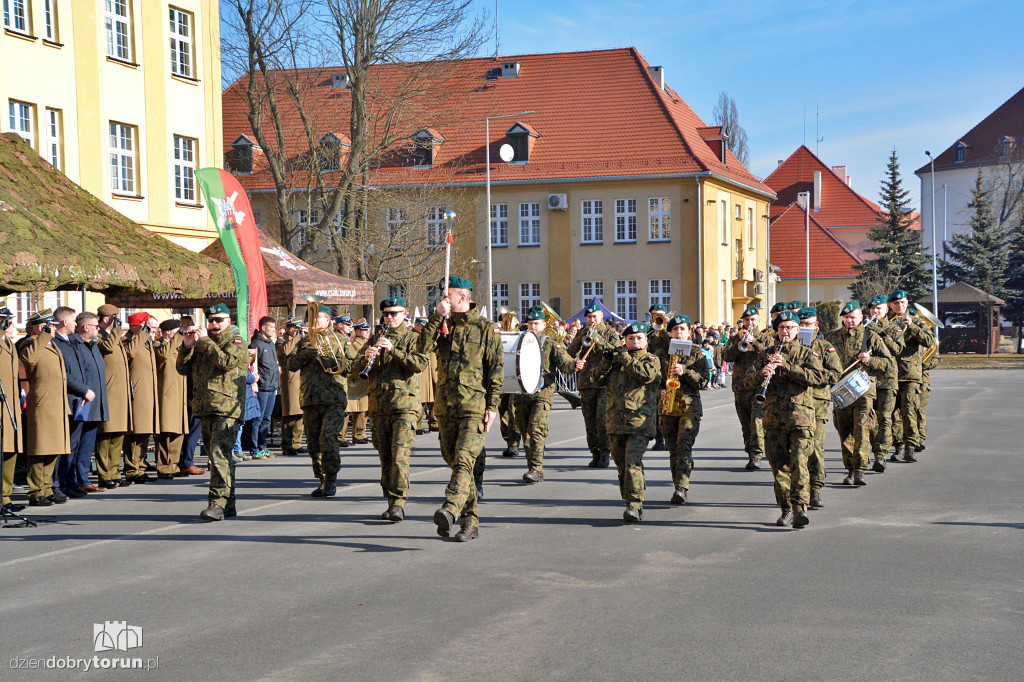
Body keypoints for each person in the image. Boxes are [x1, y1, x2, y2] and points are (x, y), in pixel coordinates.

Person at [418, 276, 503, 542]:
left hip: (473, 406)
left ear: (462, 298)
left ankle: (451, 508)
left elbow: (496, 370)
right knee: (455, 463)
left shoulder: (486, 328)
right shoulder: (442, 325)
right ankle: (470, 522)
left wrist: (493, 406)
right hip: (445, 407)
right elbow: (422, 349)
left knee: (465, 460)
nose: (443, 300)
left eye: (447, 296)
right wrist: (436, 317)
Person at [737, 311, 824, 528]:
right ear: (777, 330)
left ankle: (800, 509)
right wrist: (762, 373)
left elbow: (819, 378)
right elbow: (745, 381)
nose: (786, 331)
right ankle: (786, 509)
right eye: (782, 327)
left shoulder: (807, 353)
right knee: (779, 468)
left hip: (800, 419)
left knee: (800, 464)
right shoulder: (765, 353)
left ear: (798, 330)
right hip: (773, 419)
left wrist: (787, 366)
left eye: (791, 327)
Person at [350, 296, 428, 522]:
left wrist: (392, 350)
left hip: (405, 407)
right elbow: (353, 368)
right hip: (379, 406)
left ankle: (397, 503)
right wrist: (365, 357)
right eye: (386, 313)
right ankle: (390, 498)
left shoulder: (413, 337)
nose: (390, 317)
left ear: (405, 314)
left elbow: (419, 364)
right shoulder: (375, 337)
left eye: (395, 313)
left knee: (399, 455)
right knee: (385, 456)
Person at [176, 304, 248, 521]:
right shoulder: (202, 343)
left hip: (226, 408)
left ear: (228, 320)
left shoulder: (235, 341)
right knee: (220, 457)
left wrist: (204, 341)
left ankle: (216, 504)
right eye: (211, 321)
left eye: (218, 320)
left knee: (218, 456)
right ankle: (228, 504)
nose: (214, 324)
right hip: (205, 406)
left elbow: (226, 362)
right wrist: (187, 347)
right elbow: (182, 369)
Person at [590, 322, 661, 522]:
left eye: (639, 338)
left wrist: (624, 356)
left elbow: (645, 375)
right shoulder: (617, 361)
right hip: (615, 421)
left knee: (632, 463)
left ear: (646, 340)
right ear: (625, 340)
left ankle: (634, 505)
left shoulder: (651, 359)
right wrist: (605, 362)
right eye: (631, 338)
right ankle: (629, 499)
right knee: (622, 466)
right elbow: (595, 380)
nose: (635, 341)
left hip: (640, 422)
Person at [826, 301, 893, 486]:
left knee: (862, 429)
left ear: (861, 317)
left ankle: (859, 470)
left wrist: (870, 359)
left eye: (853, 317)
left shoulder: (870, 336)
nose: (849, 321)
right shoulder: (832, 338)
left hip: (864, 391)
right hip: (840, 392)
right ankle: (849, 469)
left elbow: (888, 364)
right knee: (845, 431)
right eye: (846, 317)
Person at [288, 303, 349, 498]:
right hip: (310, 399)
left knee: (328, 438)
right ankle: (322, 479)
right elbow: (289, 364)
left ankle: (331, 478)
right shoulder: (304, 342)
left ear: (329, 321)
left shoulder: (338, 339)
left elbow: (352, 367)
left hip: (333, 398)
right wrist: (303, 355)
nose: (315, 323)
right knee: (314, 443)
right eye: (312, 319)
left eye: (319, 319)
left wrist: (334, 362)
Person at [515, 306, 578, 484]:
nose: (533, 327)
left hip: (543, 391)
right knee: (525, 432)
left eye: (537, 324)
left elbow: (564, 363)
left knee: (536, 429)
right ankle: (532, 466)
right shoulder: (519, 340)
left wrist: (575, 365)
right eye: (530, 323)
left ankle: (536, 468)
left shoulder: (550, 343)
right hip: (522, 393)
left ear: (544, 324)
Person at [18, 310, 71, 506]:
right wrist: (43, 337)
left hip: (56, 403)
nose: (54, 329)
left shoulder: (50, 344)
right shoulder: (29, 343)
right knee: (39, 449)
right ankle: (35, 491)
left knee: (53, 448)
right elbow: (29, 360)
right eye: (49, 326)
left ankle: (47, 488)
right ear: (40, 327)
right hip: (42, 404)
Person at [656, 315, 708, 505]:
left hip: (689, 408)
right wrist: (659, 391)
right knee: (673, 450)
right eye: (675, 329)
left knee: (683, 446)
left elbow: (703, 382)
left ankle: (681, 487)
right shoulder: (661, 353)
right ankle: (678, 481)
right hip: (667, 408)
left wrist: (685, 371)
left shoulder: (697, 353)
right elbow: (653, 381)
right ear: (670, 333)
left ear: (689, 331)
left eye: (683, 329)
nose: (679, 332)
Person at [797, 307, 842, 509]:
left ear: (816, 326)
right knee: (797, 450)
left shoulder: (825, 347)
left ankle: (816, 489)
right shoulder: (789, 346)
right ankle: (798, 492)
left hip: (817, 404)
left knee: (815, 448)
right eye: (801, 324)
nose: (804, 327)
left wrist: (811, 377)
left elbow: (835, 374)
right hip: (794, 404)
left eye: (808, 324)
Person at [566, 303, 620, 468]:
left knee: (602, 420)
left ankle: (605, 453)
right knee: (589, 420)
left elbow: (617, 352)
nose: (592, 320)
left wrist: (597, 338)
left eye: (595, 316)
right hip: (586, 382)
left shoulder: (610, 333)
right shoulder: (583, 332)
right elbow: (570, 353)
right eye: (589, 317)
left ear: (601, 316)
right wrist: (575, 361)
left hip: (604, 383)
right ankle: (595, 453)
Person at [887, 291, 933, 463]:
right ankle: (898, 446)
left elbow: (929, 341)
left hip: (910, 375)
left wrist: (912, 326)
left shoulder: (917, 321)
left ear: (907, 303)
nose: (900, 306)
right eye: (896, 303)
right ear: (890, 305)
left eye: (903, 302)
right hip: (890, 374)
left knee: (909, 411)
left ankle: (910, 447)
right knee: (892, 414)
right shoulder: (886, 322)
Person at [66, 312, 108, 495]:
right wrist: (83, 391)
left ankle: (83, 479)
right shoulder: (74, 344)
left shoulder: (93, 345)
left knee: (87, 444)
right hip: (81, 401)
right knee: (75, 444)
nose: (98, 329)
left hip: (95, 402)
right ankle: (72, 480)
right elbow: (74, 374)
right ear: (85, 327)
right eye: (96, 326)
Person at [722, 306, 769, 470]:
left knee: (756, 422)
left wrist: (753, 342)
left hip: (758, 386)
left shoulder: (766, 338)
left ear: (758, 321)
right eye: (747, 320)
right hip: (740, 387)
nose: (750, 323)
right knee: (745, 424)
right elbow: (726, 356)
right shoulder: (735, 338)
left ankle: (757, 455)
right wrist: (737, 342)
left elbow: (768, 355)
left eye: (753, 320)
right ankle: (750, 452)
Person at [51, 306, 90, 498]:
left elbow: (81, 369)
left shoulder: (71, 342)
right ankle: (56, 484)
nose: (77, 323)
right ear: (64, 322)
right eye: (74, 320)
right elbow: (63, 374)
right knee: (63, 445)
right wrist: (83, 390)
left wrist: (85, 391)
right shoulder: (55, 343)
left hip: (79, 399)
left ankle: (68, 481)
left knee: (73, 444)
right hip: (68, 398)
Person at [94, 304, 133, 488]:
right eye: (114, 318)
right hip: (108, 392)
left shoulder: (114, 335)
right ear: (106, 318)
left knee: (118, 436)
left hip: (120, 392)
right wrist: (115, 329)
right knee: (105, 436)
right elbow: (107, 348)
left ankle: (115, 472)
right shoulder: (99, 335)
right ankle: (104, 474)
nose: (116, 321)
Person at [122, 311, 159, 484]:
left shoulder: (145, 341)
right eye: (147, 327)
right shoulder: (128, 341)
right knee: (134, 434)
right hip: (136, 393)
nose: (151, 331)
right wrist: (143, 334)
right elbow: (130, 353)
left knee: (144, 433)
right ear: (138, 326)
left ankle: (140, 467)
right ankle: (131, 469)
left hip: (147, 393)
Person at [866, 295, 902, 472]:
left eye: (879, 308)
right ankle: (873, 450)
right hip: (868, 380)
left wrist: (880, 332)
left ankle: (881, 455)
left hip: (887, 380)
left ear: (886, 310)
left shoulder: (894, 328)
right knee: (870, 420)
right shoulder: (865, 329)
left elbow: (896, 349)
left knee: (885, 419)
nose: (875, 312)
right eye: (872, 309)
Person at [154, 319, 189, 479]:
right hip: (166, 395)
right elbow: (163, 355)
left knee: (178, 432)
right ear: (168, 332)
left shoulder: (179, 345)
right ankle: (163, 467)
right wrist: (176, 338)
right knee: (165, 432)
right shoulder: (158, 345)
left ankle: (174, 465)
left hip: (180, 394)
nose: (180, 334)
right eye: (177, 330)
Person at [0, 306, 25, 513]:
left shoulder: (8, 343)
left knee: (11, 450)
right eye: (6, 321)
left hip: (10, 404)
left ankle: (5, 497)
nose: (9, 325)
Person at [248, 316, 280, 459]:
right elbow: (252, 366)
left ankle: (263, 447)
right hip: (261, 387)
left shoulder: (270, 344)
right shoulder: (256, 344)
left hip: (272, 386)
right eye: (271, 327)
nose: (274, 330)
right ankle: (254, 449)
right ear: (263, 328)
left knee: (266, 419)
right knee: (258, 419)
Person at [276, 319, 306, 456]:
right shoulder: (282, 341)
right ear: (288, 328)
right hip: (290, 380)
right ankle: (287, 444)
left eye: (298, 328)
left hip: (302, 378)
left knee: (301, 413)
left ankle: (297, 442)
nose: (296, 331)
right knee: (289, 413)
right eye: (294, 328)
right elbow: (286, 352)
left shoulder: (300, 340)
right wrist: (296, 338)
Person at [342, 320, 371, 447]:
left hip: (362, 380)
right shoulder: (354, 343)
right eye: (365, 330)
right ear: (358, 332)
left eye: (368, 330)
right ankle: (341, 436)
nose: (368, 332)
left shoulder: (365, 343)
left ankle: (360, 434)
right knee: (348, 409)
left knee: (363, 408)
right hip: (353, 379)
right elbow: (355, 359)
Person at [647, 303, 670, 450]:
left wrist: (662, 330)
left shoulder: (670, 331)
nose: (657, 317)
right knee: (654, 410)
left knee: (668, 409)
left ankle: (669, 438)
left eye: (660, 315)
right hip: (652, 375)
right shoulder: (646, 333)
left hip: (668, 374)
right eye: (655, 315)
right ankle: (659, 439)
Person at [413, 317, 438, 434]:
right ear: (416, 325)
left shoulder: (430, 336)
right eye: (421, 325)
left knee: (434, 398)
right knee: (421, 400)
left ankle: (434, 422)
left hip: (432, 370)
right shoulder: (413, 337)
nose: (423, 328)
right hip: (421, 371)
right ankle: (417, 424)